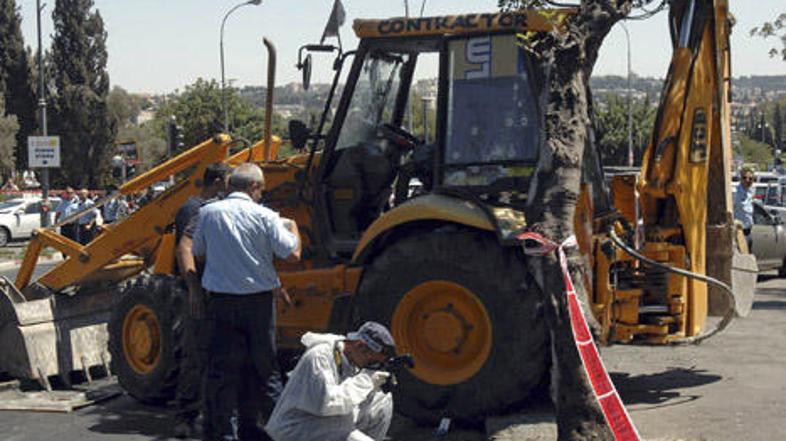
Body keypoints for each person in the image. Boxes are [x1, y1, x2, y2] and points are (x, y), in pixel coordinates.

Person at [191, 163, 302, 441]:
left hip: (221, 304)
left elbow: (198, 252)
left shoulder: (207, 213)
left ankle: (225, 434)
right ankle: (279, 432)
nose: (261, 194)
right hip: (258, 306)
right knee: (266, 372)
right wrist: (294, 228)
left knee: (223, 373)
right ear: (254, 187)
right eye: (261, 189)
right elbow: (292, 255)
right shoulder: (266, 216)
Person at [171, 163, 232, 439]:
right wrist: (194, 287)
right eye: (229, 181)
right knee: (195, 354)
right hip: (198, 290)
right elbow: (188, 250)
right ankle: (186, 415)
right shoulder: (194, 209)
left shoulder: (215, 207)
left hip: (216, 289)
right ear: (218, 181)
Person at [264, 322, 396, 441]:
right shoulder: (319, 356)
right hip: (297, 428)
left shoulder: (352, 358)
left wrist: (376, 387)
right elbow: (326, 404)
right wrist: (367, 381)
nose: (371, 367)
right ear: (360, 346)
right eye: (371, 362)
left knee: (383, 400)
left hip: (329, 425)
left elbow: (350, 398)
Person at [734, 167, 755, 252]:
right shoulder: (734, 192)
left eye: (750, 178)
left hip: (748, 232)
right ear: (740, 178)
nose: (747, 180)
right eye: (744, 178)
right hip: (739, 232)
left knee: (748, 260)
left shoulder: (751, 192)